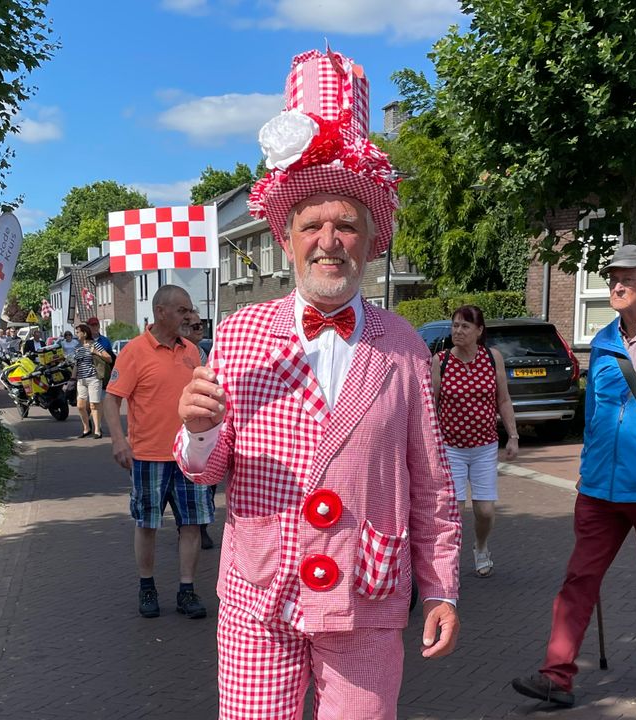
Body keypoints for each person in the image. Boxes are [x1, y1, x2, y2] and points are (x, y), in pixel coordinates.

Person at [174, 47, 460, 720]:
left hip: (366, 592)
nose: (329, 239)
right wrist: (197, 431)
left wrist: (442, 587)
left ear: (370, 240)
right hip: (259, 595)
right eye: (312, 225)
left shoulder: (403, 345)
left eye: (346, 225)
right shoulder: (241, 333)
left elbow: (431, 482)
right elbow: (205, 470)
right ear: (288, 238)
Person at [511, 244, 636, 707]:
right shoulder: (603, 342)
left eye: (627, 277)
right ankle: (556, 676)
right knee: (578, 580)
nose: (617, 286)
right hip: (600, 491)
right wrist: (587, 470)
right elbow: (596, 416)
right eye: (612, 278)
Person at [103, 284, 211, 621]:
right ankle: (147, 586)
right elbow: (111, 399)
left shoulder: (192, 351)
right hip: (149, 455)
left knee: (192, 524)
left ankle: (186, 590)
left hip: (190, 456)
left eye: (190, 310)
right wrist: (118, 440)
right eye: (182, 310)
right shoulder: (134, 351)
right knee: (147, 523)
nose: (189, 316)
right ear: (160, 312)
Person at [430, 304, 518, 578]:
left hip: (484, 446)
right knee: (454, 510)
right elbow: (431, 405)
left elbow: (503, 399)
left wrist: (513, 436)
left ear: (479, 331)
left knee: (486, 510)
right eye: (455, 325)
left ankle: (481, 547)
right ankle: (450, 563)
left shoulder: (492, 358)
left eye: (465, 326)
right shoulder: (441, 361)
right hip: (450, 448)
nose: (458, 331)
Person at [182, 308, 215, 550]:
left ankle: (201, 526)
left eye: (201, 324)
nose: (199, 329)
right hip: (181, 424)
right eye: (194, 326)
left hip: (204, 425)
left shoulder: (204, 353)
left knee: (208, 479)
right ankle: (188, 527)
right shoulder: (178, 353)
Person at [73, 324, 109, 439]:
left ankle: (97, 430)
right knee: (80, 406)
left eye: (78, 332)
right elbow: (76, 364)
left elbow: (109, 358)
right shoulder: (77, 347)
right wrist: (72, 378)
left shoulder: (95, 344)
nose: (76, 335)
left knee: (94, 404)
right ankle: (86, 428)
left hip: (94, 378)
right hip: (81, 380)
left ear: (84, 333)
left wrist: (96, 352)